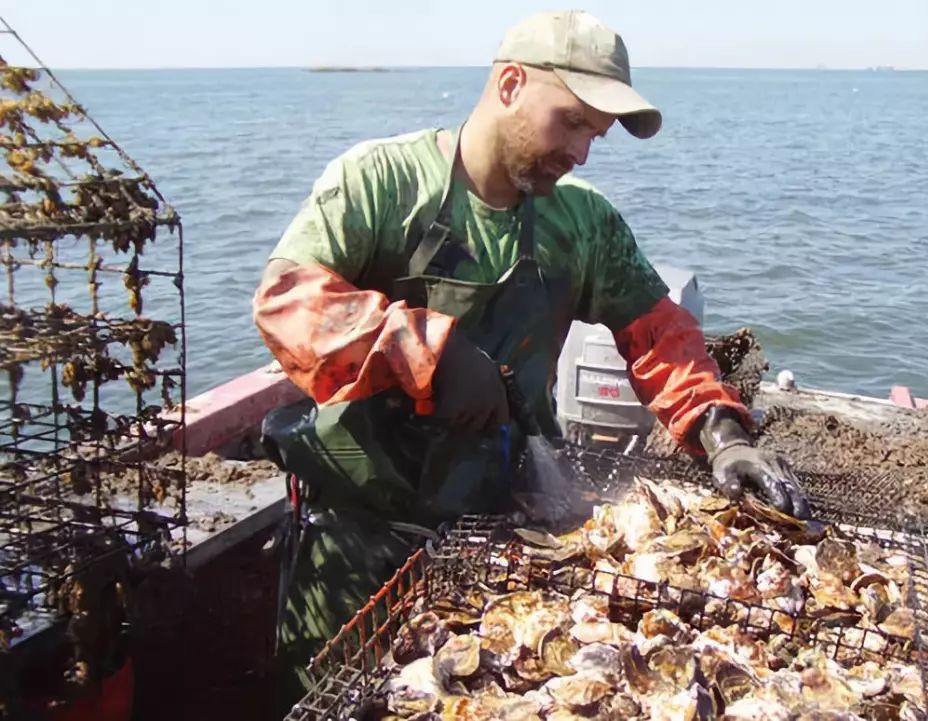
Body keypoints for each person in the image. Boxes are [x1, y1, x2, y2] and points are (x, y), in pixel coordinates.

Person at [252, 9, 808, 704]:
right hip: (359, 535)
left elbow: (659, 333)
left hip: (505, 531)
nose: (580, 152)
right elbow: (286, 303)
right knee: (336, 703)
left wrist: (719, 430)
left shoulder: (582, 221)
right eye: (570, 122)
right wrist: (431, 351)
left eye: (594, 135)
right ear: (511, 83)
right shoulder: (381, 182)